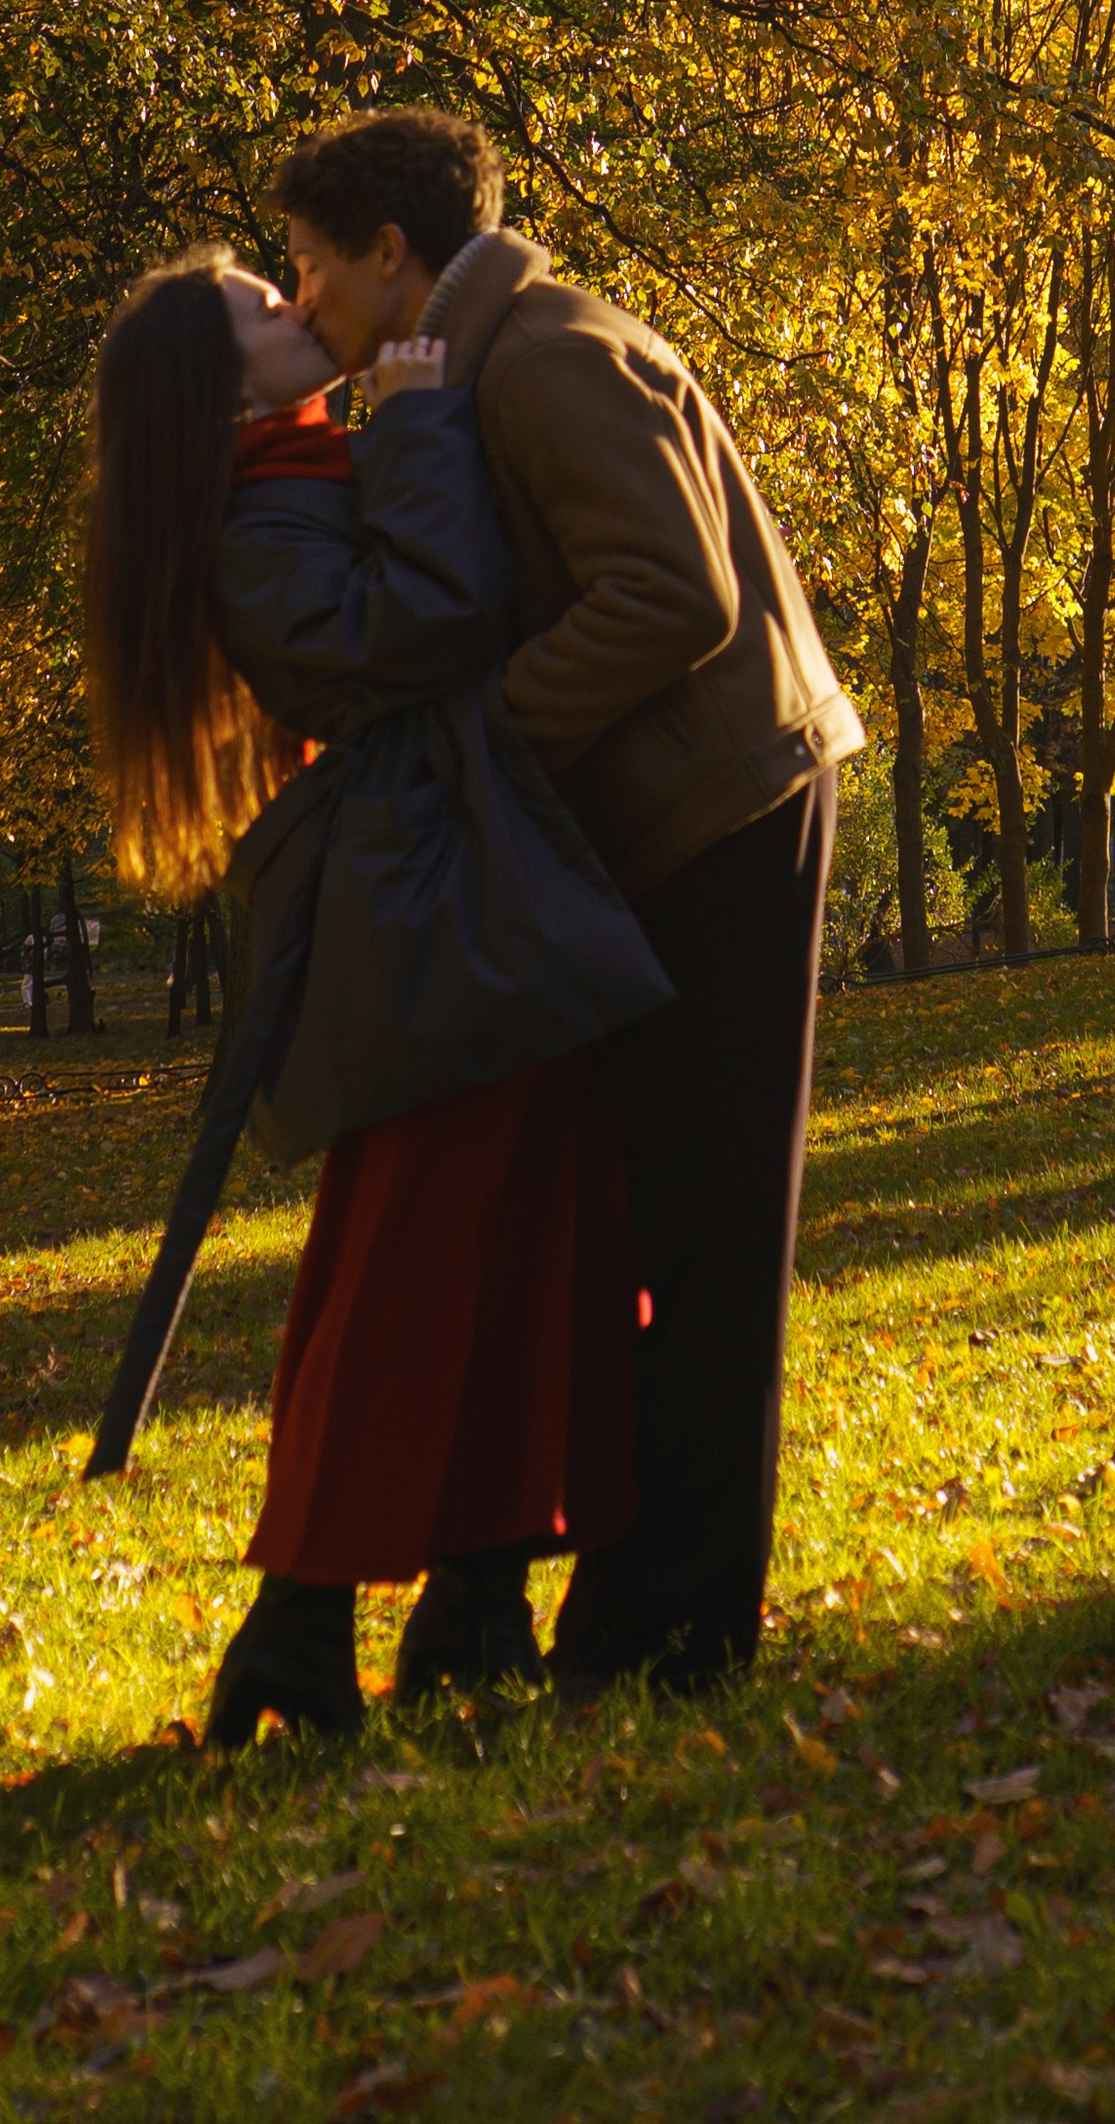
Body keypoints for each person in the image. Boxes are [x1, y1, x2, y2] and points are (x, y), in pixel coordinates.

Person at [279, 109, 865, 1696]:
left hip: (726, 812)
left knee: (713, 1234)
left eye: (314, 270)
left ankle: (678, 1629)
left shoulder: (544, 354)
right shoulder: (483, 359)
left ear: (392, 256)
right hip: (673, 822)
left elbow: (674, 595)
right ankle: (628, 1610)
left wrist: (491, 750)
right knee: (654, 1230)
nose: (306, 310)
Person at [81, 245, 653, 1744]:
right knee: (410, 1256)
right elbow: (426, 628)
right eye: (256, 310)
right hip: (425, 906)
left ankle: (479, 1592)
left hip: (470, 878)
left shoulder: (293, 467)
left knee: (530, 1234)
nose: (293, 300)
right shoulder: (253, 524)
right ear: (213, 392)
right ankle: (301, 1616)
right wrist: (410, 428)